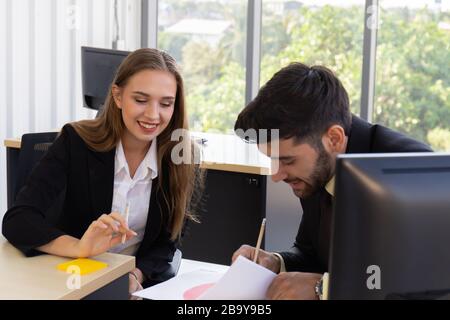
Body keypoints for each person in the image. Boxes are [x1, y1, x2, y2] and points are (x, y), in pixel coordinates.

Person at [2, 48, 202, 298]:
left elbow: (168, 243)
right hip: (72, 280)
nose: (153, 114)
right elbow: (17, 221)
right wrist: (79, 247)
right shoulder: (75, 142)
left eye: (165, 103)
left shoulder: (181, 158)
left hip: (134, 286)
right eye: (140, 100)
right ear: (117, 96)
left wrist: (133, 275)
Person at [232, 62, 432, 300]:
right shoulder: (319, 170)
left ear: (334, 139)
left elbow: (426, 282)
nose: (277, 175)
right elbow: (311, 254)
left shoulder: (410, 170)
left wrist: (324, 289)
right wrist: (275, 262)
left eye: (287, 160)